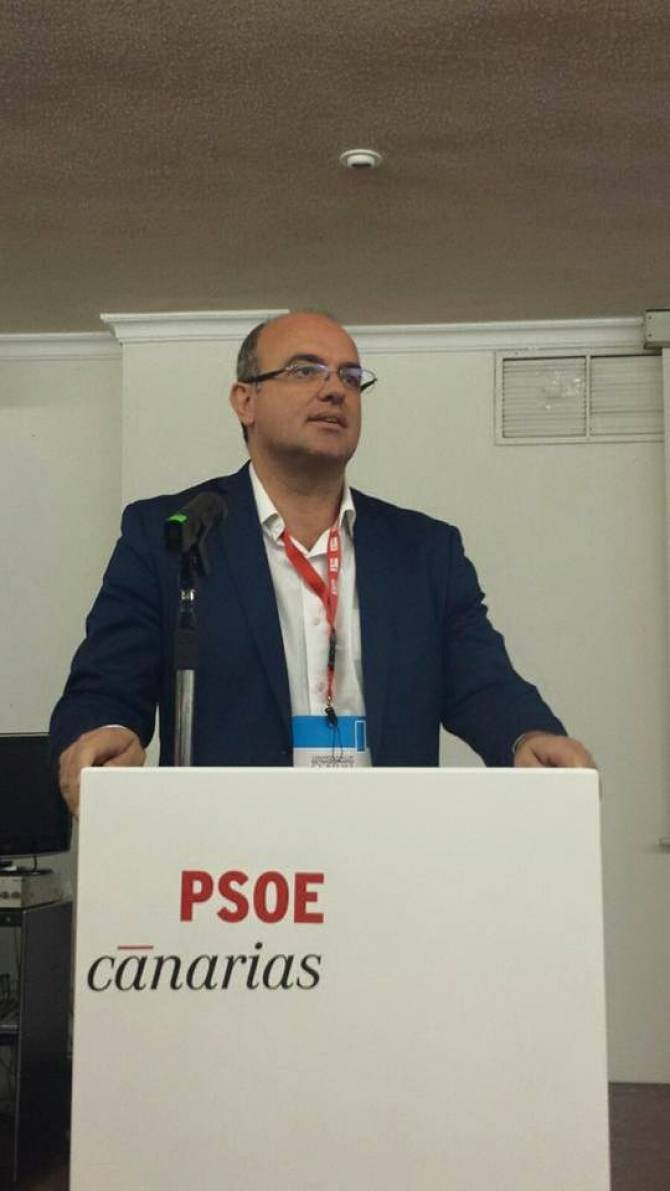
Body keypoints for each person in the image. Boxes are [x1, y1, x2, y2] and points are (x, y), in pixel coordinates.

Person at [51, 311, 594, 815]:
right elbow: (106, 686)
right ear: (245, 401)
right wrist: (103, 735)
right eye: (305, 370)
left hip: (389, 841)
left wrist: (529, 737)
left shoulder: (424, 550)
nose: (335, 389)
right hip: (232, 851)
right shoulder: (174, 533)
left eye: (351, 377)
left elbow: (483, 684)